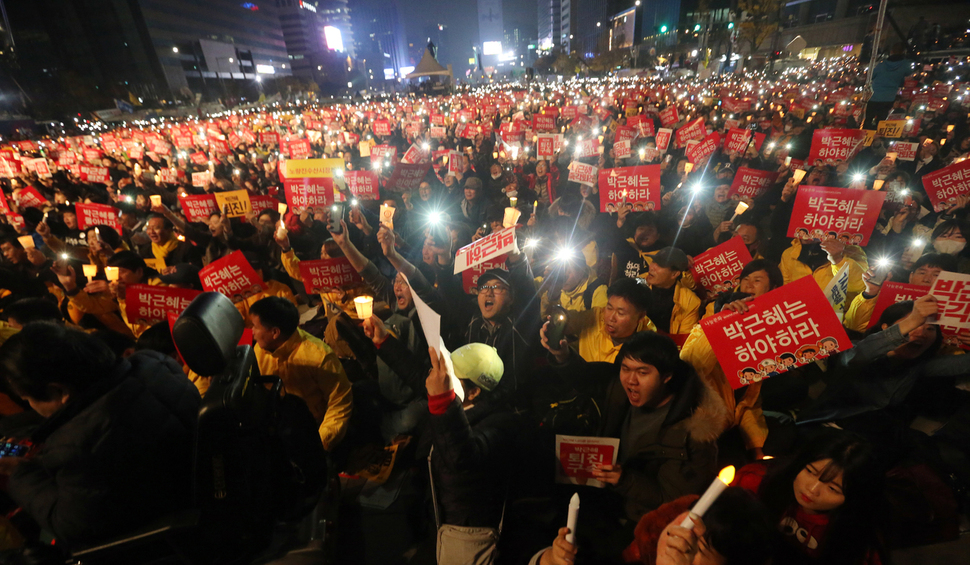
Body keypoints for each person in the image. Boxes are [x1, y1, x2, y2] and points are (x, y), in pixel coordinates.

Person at [0, 322, 200, 548]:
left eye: (27, 399)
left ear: (60, 391)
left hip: (166, 538)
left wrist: (17, 472)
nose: (31, 406)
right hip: (194, 491)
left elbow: (71, 526)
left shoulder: (77, 444)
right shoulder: (155, 363)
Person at [542, 330, 728, 522]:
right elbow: (587, 377)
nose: (631, 380)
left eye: (642, 372)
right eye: (625, 368)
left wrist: (625, 479)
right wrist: (561, 354)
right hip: (602, 502)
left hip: (640, 522)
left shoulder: (693, 433)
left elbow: (673, 499)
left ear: (667, 376)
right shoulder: (621, 389)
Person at [733, 430, 888, 565]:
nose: (812, 490)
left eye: (833, 488)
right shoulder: (755, 480)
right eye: (810, 471)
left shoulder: (854, 536)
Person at [425, 343, 518, 565]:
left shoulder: (500, 425)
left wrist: (442, 402)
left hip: (465, 535)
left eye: (452, 376)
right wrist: (383, 342)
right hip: (441, 523)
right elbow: (413, 375)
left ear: (474, 391)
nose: (443, 378)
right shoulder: (465, 404)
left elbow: (461, 457)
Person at [249, 296, 353, 451]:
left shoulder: (319, 357)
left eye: (256, 327)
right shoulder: (260, 349)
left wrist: (319, 445)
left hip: (313, 428)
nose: (252, 332)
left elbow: (340, 403)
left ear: (275, 332)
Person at [556, 277, 657, 363]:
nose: (611, 318)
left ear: (640, 317)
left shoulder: (648, 344)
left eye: (620, 313)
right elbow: (566, 319)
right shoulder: (595, 317)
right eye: (609, 308)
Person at [643, 247, 700, 335]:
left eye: (660, 265)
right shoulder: (637, 284)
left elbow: (684, 340)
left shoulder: (690, 302)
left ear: (674, 274)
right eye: (654, 261)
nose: (652, 267)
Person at [865, 43, 914, 129]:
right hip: (889, 96)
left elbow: (871, 76)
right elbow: (909, 73)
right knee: (881, 120)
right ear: (903, 52)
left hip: (874, 95)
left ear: (891, 52)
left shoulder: (881, 64)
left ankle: (865, 136)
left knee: (868, 119)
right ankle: (877, 137)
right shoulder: (905, 65)